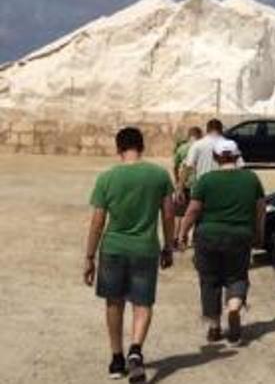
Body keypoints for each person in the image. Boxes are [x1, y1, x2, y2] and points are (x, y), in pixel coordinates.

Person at [83, 127, 175, 382]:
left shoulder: (107, 178)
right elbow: (168, 214)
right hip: (145, 249)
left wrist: (89, 257)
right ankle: (136, 349)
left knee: (114, 303)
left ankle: (116, 359)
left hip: (113, 248)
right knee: (142, 302)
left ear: (118, 148)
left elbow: (97, 222)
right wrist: (169, 246)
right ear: (141, 146)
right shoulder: (159, 175)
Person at [177, 138, 265, 345]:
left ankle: (215, 327)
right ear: (237, 157)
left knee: (210, 280)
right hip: (240, 236)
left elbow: (192, 211)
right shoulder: (251, 178)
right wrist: (259, 234)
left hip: (208, 236)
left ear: (216, 157)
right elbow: (261, 210)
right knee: (237, 276)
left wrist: (182, 233)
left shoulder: (206, 180)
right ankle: (233, 308)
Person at [171, 126, 202, 216]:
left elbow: (175, 167)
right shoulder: (202, 148)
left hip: (184, 184)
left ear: (188, 136)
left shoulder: (181, 148)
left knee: (180, 215)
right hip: (198, 183)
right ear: (200, 136)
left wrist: (177, 181)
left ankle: (178, 230)